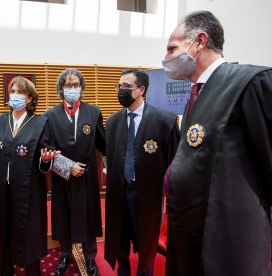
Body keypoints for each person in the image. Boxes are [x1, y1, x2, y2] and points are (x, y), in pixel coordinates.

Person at [162, 10, 272, 275]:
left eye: (172, 48)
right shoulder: (196, 95)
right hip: (191, 231)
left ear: (199, 41)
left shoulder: (249, 82)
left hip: (229, 238)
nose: (166, 59)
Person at [0, 76, 60, 276]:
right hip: (1, 190)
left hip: (28, 191)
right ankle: (4, 267)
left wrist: (47, 159)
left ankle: (31, 270)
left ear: (29, 98)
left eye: (20, 92)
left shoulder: (40, 123)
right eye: (12, 91)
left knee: (28, 232)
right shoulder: (0, 121)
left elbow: (45, 156)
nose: (14, 95)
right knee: (3, 228)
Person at [104, 69, 180, 276]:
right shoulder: (112, 122)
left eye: (126, 86)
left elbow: (175, 163)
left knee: (146, 241)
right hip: (119, 192)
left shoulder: (164, 121)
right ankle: (123, 270)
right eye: (118, 86)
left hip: (147, 194)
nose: (121, 90)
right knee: (119, 238)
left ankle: (144, 272)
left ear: (141, 90)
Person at [42, 68, 106, 276]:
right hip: (63, 179)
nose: (72, 88)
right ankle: (65, 254)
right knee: (63, 217)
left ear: (82, 87)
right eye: (68, 85)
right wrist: (69, 167)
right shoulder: (49, 116)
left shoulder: (93, 112)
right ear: (61, 88)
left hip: (87, 178)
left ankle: (90, 258)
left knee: (89, 217)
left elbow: (103, 144)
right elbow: (47, 148)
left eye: (76, 85)